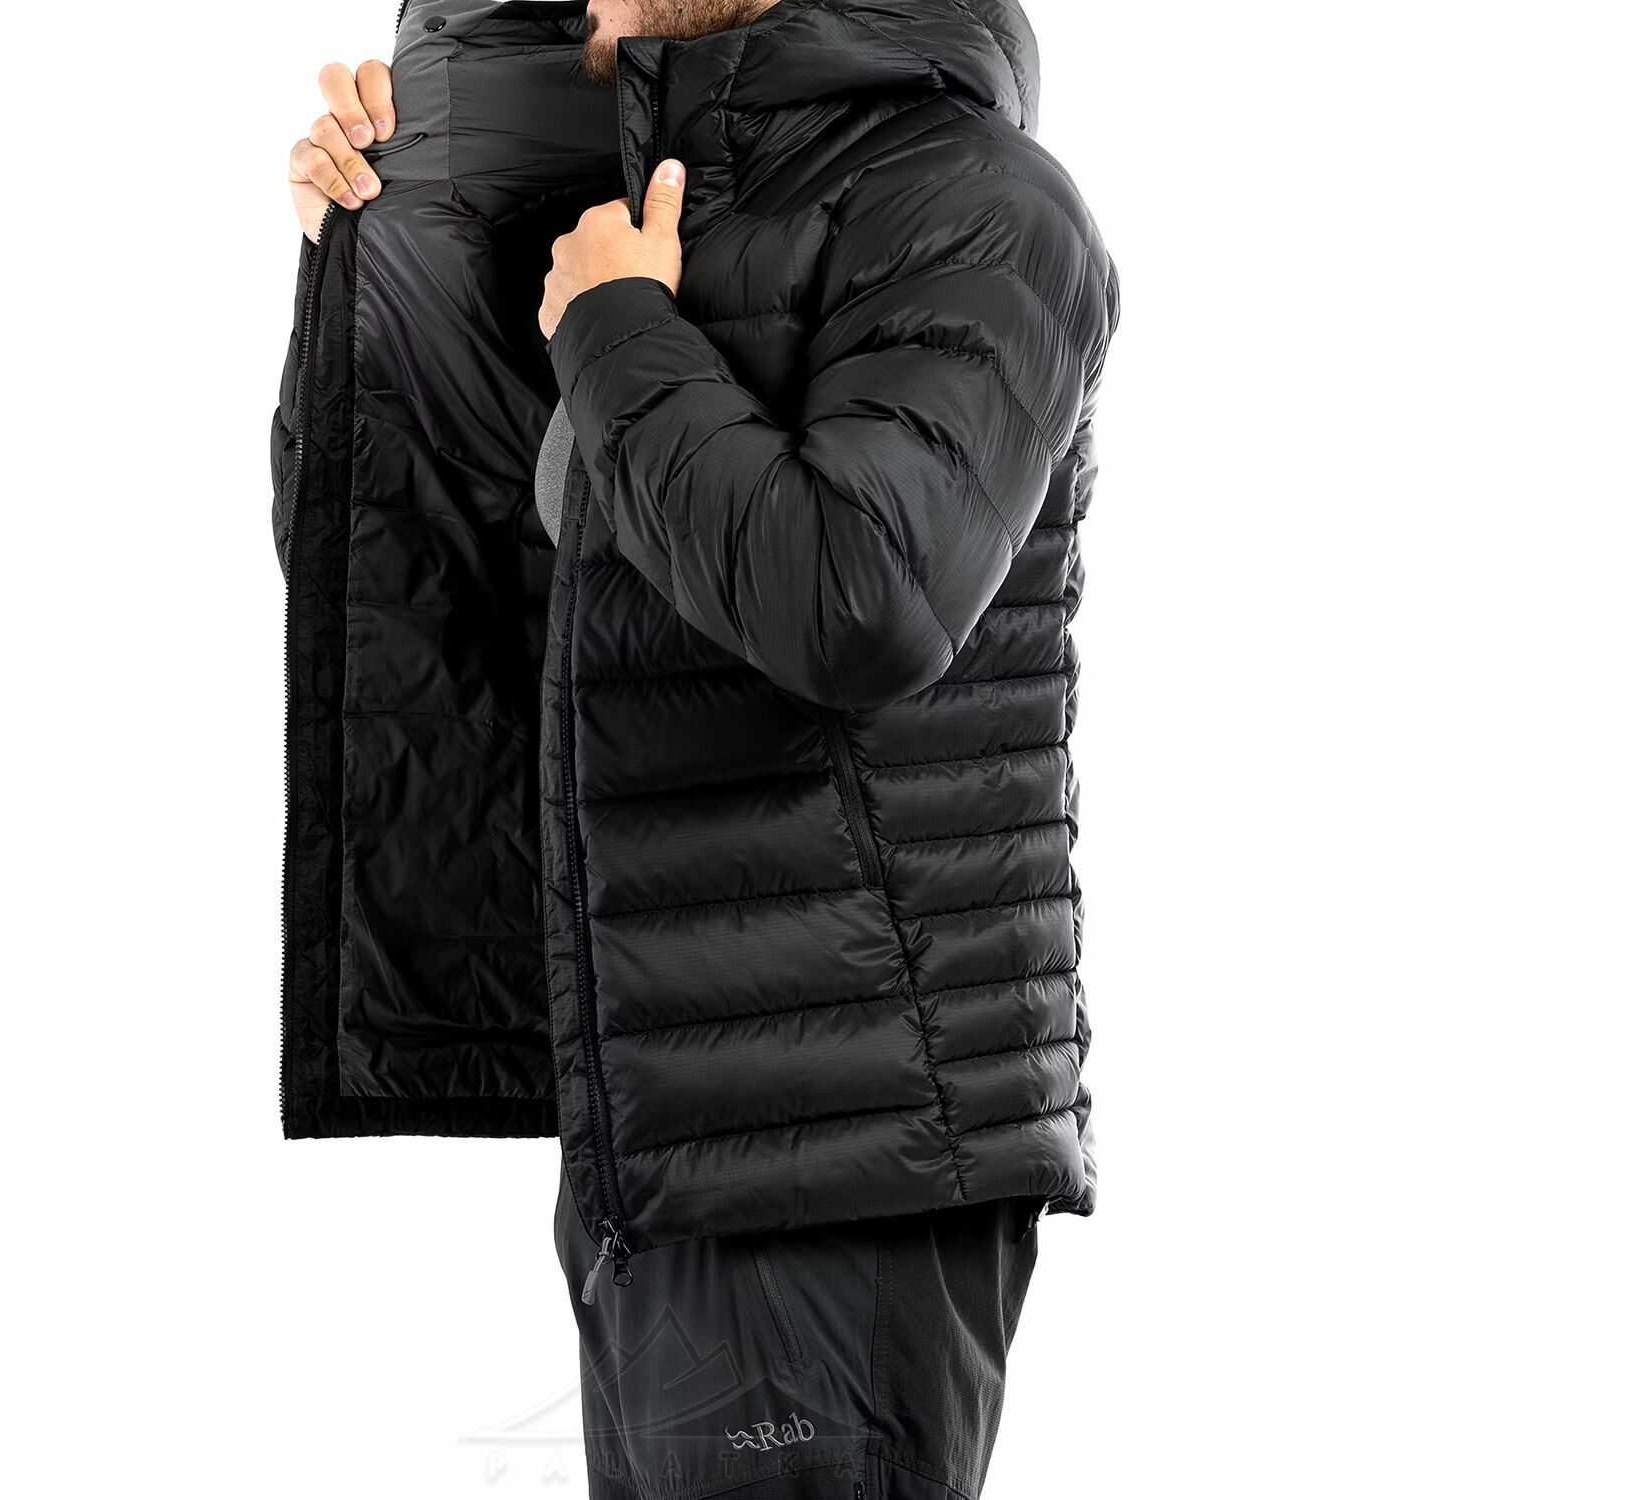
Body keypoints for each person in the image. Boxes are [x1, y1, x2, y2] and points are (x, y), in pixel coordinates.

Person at [277, 2, 1115, 1494]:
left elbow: (857, 603)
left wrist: (617, 327)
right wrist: (382, 256)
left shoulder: (984, 204)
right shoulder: (669, 246)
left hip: (839, 1145)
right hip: (663, 1122)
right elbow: (442, 605)